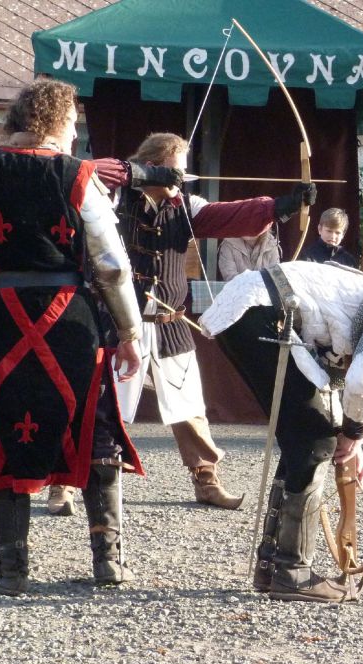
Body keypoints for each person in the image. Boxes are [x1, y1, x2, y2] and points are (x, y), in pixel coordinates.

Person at [0, 79, 144, 595]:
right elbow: (112, 266)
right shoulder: (80, 175)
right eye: (72, 124)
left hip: (5, 317)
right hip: (72, 321)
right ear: (57, 122)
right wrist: (130, 332)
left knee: (5, 425)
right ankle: (108, 562)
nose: (75, 135)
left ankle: (13, 570)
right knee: (94, 425)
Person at [85, 133, 316, 513]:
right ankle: (69, 482)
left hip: (171, 324)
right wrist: (138, 174)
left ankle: (206, 480)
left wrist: (280, 206)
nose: (182, 177)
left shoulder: (186, 206)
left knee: (189, 406)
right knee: (101, 406)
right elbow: (84, 174)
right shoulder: (111, 197)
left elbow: (230, 216)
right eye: (175, 169)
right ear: (154, 165)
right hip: (120, 323)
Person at [199, 261, 363, 602]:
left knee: (302, 438)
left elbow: (332, 389)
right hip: (263, 311)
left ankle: (272, 566)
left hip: (248, 308)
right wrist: (354, 432)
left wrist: (352, 443)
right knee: (314, 440)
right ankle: (292, 572)